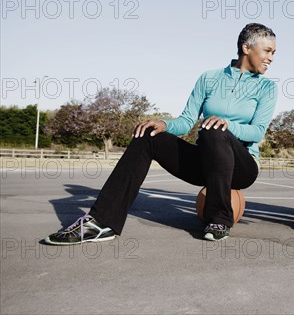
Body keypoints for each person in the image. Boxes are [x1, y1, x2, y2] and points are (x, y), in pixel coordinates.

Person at [45, 23, 278, 244]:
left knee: (213, 130)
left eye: (274, 53)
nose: (271, 58)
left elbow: (256, 132)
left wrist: (226, 124)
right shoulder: (209, 78)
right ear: (246, 48)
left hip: (242, 167)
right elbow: (187, 121)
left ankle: (219, 219)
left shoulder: (267, 87)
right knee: (148, 135)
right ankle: (101, 222)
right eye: (267, 51)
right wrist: (164, 124)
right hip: (206, 163)